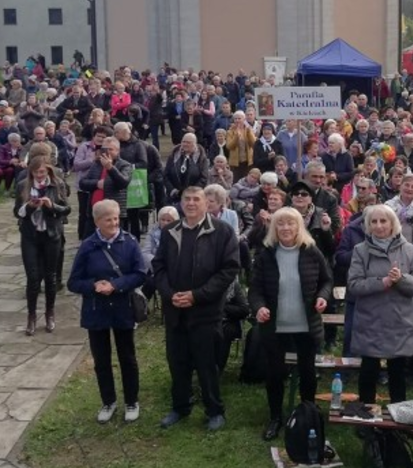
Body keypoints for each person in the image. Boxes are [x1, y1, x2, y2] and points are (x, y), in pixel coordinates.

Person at [153, 186, 242, 431]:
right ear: (181, 203)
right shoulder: (170, 231)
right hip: (175, 310)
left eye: (196, 199)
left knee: (207, 364)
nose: (191, 203)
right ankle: (180, 406)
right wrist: (169, 294)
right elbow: (158, 266)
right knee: (177, 362)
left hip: (206, 311)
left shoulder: (222, 231)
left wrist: (197, 296)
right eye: (187, 199)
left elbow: (229, 269)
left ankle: (214, 410)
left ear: (206, 203)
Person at [248, 207, 332, 440]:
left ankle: (308, 415)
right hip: (276, 325)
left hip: (306, 324)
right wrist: (259, 307)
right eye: (280, 224)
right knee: (275, 373)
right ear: (274, 228)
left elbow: (326, 280)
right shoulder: (266, 254)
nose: (285, 228)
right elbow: (255, 289)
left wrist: (323, 297)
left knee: (307, 372)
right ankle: (275, 417)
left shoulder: (311, 251)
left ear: (299, 226)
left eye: (290, 223)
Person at [68, 199, 149, 424]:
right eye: (108, 220)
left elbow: (140, 274)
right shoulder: (88, 246)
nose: (113, 223)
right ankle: (108, 401)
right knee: (101, 359)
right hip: (96, 310)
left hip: (123, 308)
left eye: (115, 218)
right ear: (97, 222)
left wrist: (116, 285)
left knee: (127, 357)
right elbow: (73, 282)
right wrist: (93, 285)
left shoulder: (129, 242)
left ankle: (131, 401)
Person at [347, 203, 413, 405]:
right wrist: (382, 283)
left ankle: (397, 416)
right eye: (374, 221)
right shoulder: (360, 251)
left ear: (393, 223)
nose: (379, 225)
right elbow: (354, 285)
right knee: (369, 370)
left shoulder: (410, 250)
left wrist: (401, 279)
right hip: (370, 320)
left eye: (383, 221)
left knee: (397, 371)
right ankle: (366, 413)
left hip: (400, 321)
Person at [15, 157, 71, 335]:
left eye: (42, 172)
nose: (39, 176)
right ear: (31, 172)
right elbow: (17, 212)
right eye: (36, 172)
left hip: (51, 235)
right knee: (33, 278)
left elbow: (66, 209)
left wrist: (51, 205)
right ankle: (31, 316)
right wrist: (30, 207)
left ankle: (50, 313)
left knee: (50, 276)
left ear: (48, 171)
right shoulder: (23, 186)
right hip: (30, 236)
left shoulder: (57, 184)